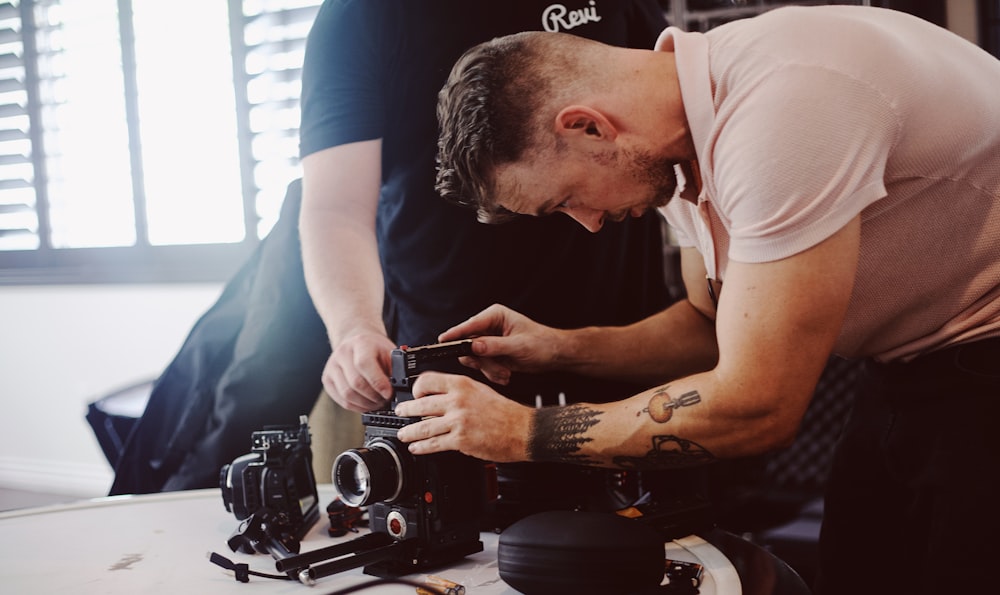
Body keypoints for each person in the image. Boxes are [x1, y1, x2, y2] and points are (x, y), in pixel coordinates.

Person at [404, 5, 1000, 593]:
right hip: (910, 372)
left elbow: (759, 406)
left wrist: (527, 434)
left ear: (587, 126)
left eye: (565, 199)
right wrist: (558, 350)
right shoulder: (680, 148)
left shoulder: (784, 104)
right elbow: (709, 323)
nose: (586, 223)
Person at [298, 0, 681, 511]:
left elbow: (666, 108)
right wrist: (353, 329)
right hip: (452, 370)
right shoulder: (362, 15)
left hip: (626, 349)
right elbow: (335, 208)